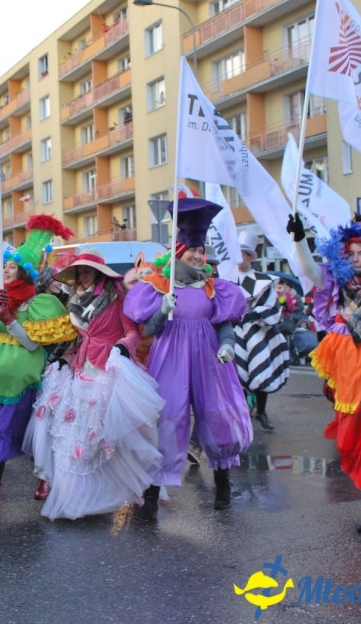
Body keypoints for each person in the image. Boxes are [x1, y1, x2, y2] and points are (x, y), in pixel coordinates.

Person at [123, 199, 253, 517]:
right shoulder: (158, 287)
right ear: (178, 252)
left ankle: (223, 482)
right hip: (170, 357)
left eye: (200, 252)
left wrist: (228, 345)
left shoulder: (214, 288)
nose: (197, 256)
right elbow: (151, 328)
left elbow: (222, 324)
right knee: (168, 417)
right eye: (191, 252)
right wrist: (164, 310)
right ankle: (152, 490)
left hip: (210, 357)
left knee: (217, 415)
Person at [24, 253, 163, 519]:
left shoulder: (116, 299)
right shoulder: (74, 301)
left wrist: (123, 347)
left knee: (101, 440)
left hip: (107, 370)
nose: (83, 275)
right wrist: (65, 358)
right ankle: (73, 501)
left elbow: (133, 332)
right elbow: (79, 339)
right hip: (80, 369)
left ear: (99, 273)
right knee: (72, 440)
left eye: (88, 271)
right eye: (80, 272)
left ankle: (102, 497)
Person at [0, 214, 77, 513]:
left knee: (21, 435)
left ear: (24, 273)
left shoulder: (39, 304)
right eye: (6, 266)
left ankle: (5, 492)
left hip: (19, 382)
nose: (6, 270)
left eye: (11, 267)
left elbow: (32, 344)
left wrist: (10, 320)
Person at [288, 215, 361, 501]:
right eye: (350, 253)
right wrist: (300, 239)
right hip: (346, 352)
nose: (356, 259)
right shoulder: (337, 277)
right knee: (351, 415)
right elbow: (309, 269)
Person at [232, 232, 289, 432]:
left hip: (258, 332)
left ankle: (262, 411)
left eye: (243, 254)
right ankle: (242, 414)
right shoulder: (227, 278)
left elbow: (273, 308)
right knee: (236, 376)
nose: (239, 258)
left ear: (250, 257)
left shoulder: (264, 281)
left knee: (260, 372)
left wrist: (254, 314)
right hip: (235, 332)